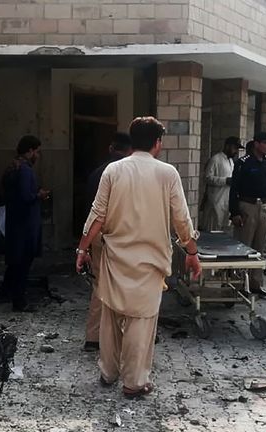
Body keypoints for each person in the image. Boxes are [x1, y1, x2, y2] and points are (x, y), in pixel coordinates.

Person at [75, 117, 201, 398]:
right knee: (141, 322)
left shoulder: (113, 170)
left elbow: (97, 214)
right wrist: (192, 252)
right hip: (150, 262)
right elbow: (181, 220)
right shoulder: (167, 173)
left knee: (110, 315)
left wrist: (82, 249)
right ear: (158, 143)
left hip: (114, 258)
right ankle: (134, 382)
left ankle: (108, 371)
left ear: (132, 141)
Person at [83, 132, 133, 352]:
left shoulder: (96, 173)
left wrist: (83, 245)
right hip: (122, 238)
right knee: (127, 286)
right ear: (129, 151)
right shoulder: (130, 174)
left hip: (98, 237)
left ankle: (94, 337)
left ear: (112, 147)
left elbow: (91, 211)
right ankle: (125, 337)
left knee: (99, 285)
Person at [0, 135, 50, 312]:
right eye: (37, 151)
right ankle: (19, 301)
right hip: (26, 223)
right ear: (30, 150)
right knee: (23, 262)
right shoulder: (25, 170)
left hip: (15, 221)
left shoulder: (13, 166)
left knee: (15, 260)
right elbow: (25, 197)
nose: (38, 155)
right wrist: (39, 195)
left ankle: (5, 292)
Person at [229, 132, 266, 297]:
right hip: (246, 205)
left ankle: (256, 283)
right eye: (265, 143)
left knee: (259, 247)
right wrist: (234, 212)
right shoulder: (243, 163)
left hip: (263, 206)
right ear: (256, 144)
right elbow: (234, 189)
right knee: (244, 246)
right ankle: (240, 284)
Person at [203, 137, 242, 232]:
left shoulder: (231, 161)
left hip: (226, 202)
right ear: (227, 146)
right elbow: (207, 178)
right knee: (213, 230)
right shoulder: (216, 159)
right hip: (215, 202)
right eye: (235, 148)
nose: (236, 151)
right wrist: (225, 181)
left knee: (225, 231)